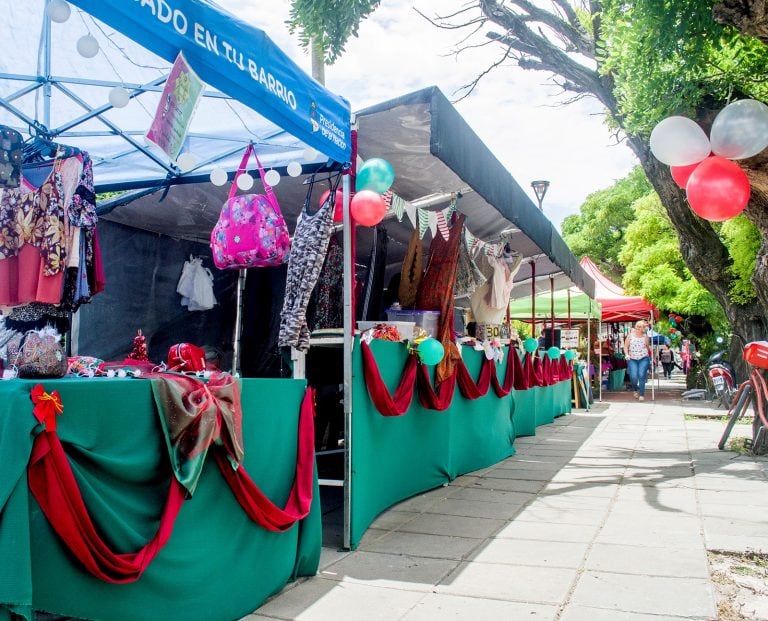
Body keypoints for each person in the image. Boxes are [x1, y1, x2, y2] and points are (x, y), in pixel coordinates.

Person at [624, 320, 651, 400]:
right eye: (638, 326)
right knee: (633, 377)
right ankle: (635, 389)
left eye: (641, 327)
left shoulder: (645, 337)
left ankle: (642, 394)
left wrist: (651, 355)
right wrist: (626, 354)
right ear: (635, 327)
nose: (639, 328)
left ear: (643, 328)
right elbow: (626, 347)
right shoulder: (630, 336)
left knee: (642, 375)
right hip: (632, 358)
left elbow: (647, 347)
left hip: (643, 358)